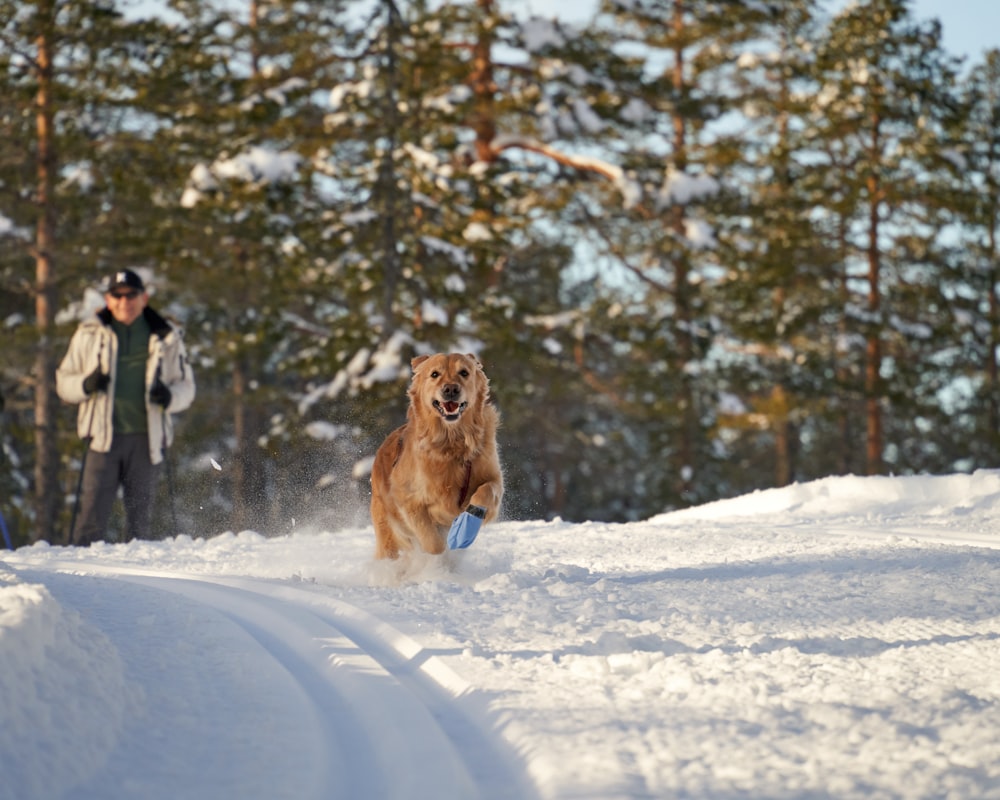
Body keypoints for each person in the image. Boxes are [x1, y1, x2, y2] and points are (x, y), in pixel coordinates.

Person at [56, 269, 195, 545]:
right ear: (108, 299)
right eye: (117, 296)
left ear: (144, 297)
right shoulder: (89, 334)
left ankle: (135, 583)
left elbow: (187, 387)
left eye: (131, 295)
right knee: (91, 520)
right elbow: (63, 382)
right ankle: (81, 578)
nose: (124, 302)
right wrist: (86, 385)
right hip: (102, 438)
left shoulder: (166, 336)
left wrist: (169, 397)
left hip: (148, 439)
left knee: (140, 524)